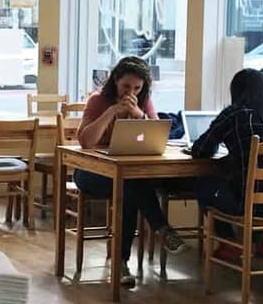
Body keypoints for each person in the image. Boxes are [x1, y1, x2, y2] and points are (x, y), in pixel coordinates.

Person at [75, 55, 186, 288]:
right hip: (91, 171)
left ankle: (122, 262)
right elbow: (86, 141)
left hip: (125, 174)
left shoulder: (143, 102)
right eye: (126, 86)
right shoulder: (97, 100)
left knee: (129, 188)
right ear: (115, 81)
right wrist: (112, 112)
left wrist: (140, 116)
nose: (131, 92)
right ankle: (161, 229)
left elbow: (158, 136)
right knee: (130, 186)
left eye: (137, 87)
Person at [191, 68, 263, 261]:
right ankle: (261, 243)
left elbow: (201, 150)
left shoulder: (234, 114)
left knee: (204, 182)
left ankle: (229, 243)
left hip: (248, 206)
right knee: (255, 183)